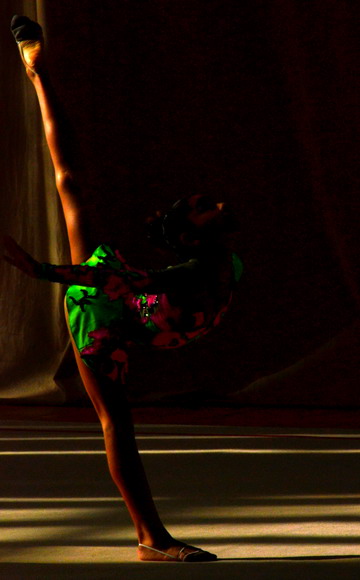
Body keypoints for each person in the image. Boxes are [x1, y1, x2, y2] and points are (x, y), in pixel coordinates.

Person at [5, 15, 243, 562]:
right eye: (208, 208)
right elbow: (106, 280)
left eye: (214, 203)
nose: (222, 206)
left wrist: (44, 270)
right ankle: (151, 538)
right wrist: (39, 270)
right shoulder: (176, 274)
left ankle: (38, 75)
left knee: (75, 193)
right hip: (103, 310)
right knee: (70, 183)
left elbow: (138, 287)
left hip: (139, 306)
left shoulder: (219, 264)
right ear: (188, 234)